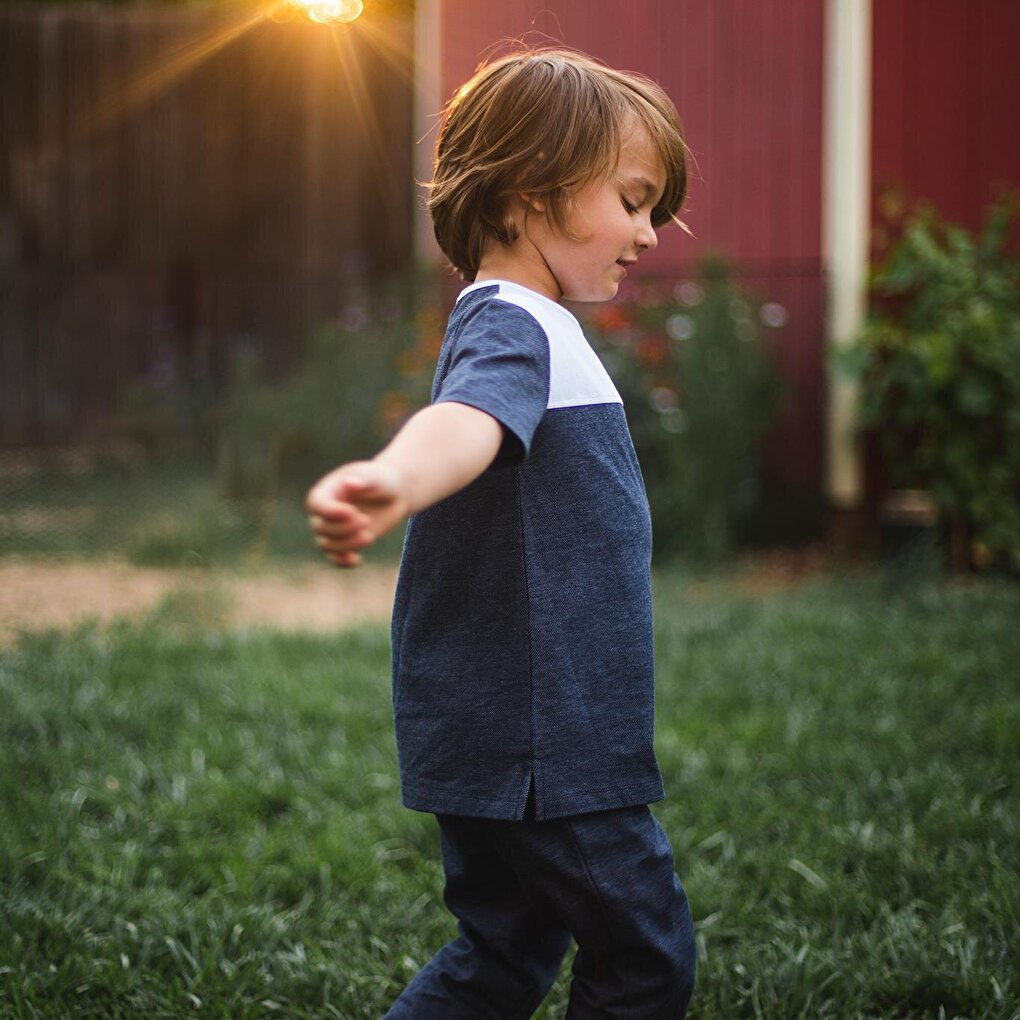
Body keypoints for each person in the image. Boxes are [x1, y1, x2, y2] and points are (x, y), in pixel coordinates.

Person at [306, 47, 696, 1019]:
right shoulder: (514, 322)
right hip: (544, 743)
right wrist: (397, 476)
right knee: (646, 957)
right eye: (635, 199)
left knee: (505, 956)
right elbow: (469, 420)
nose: (648, 235)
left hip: (513, 733)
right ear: (530, 192)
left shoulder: (530, 322)